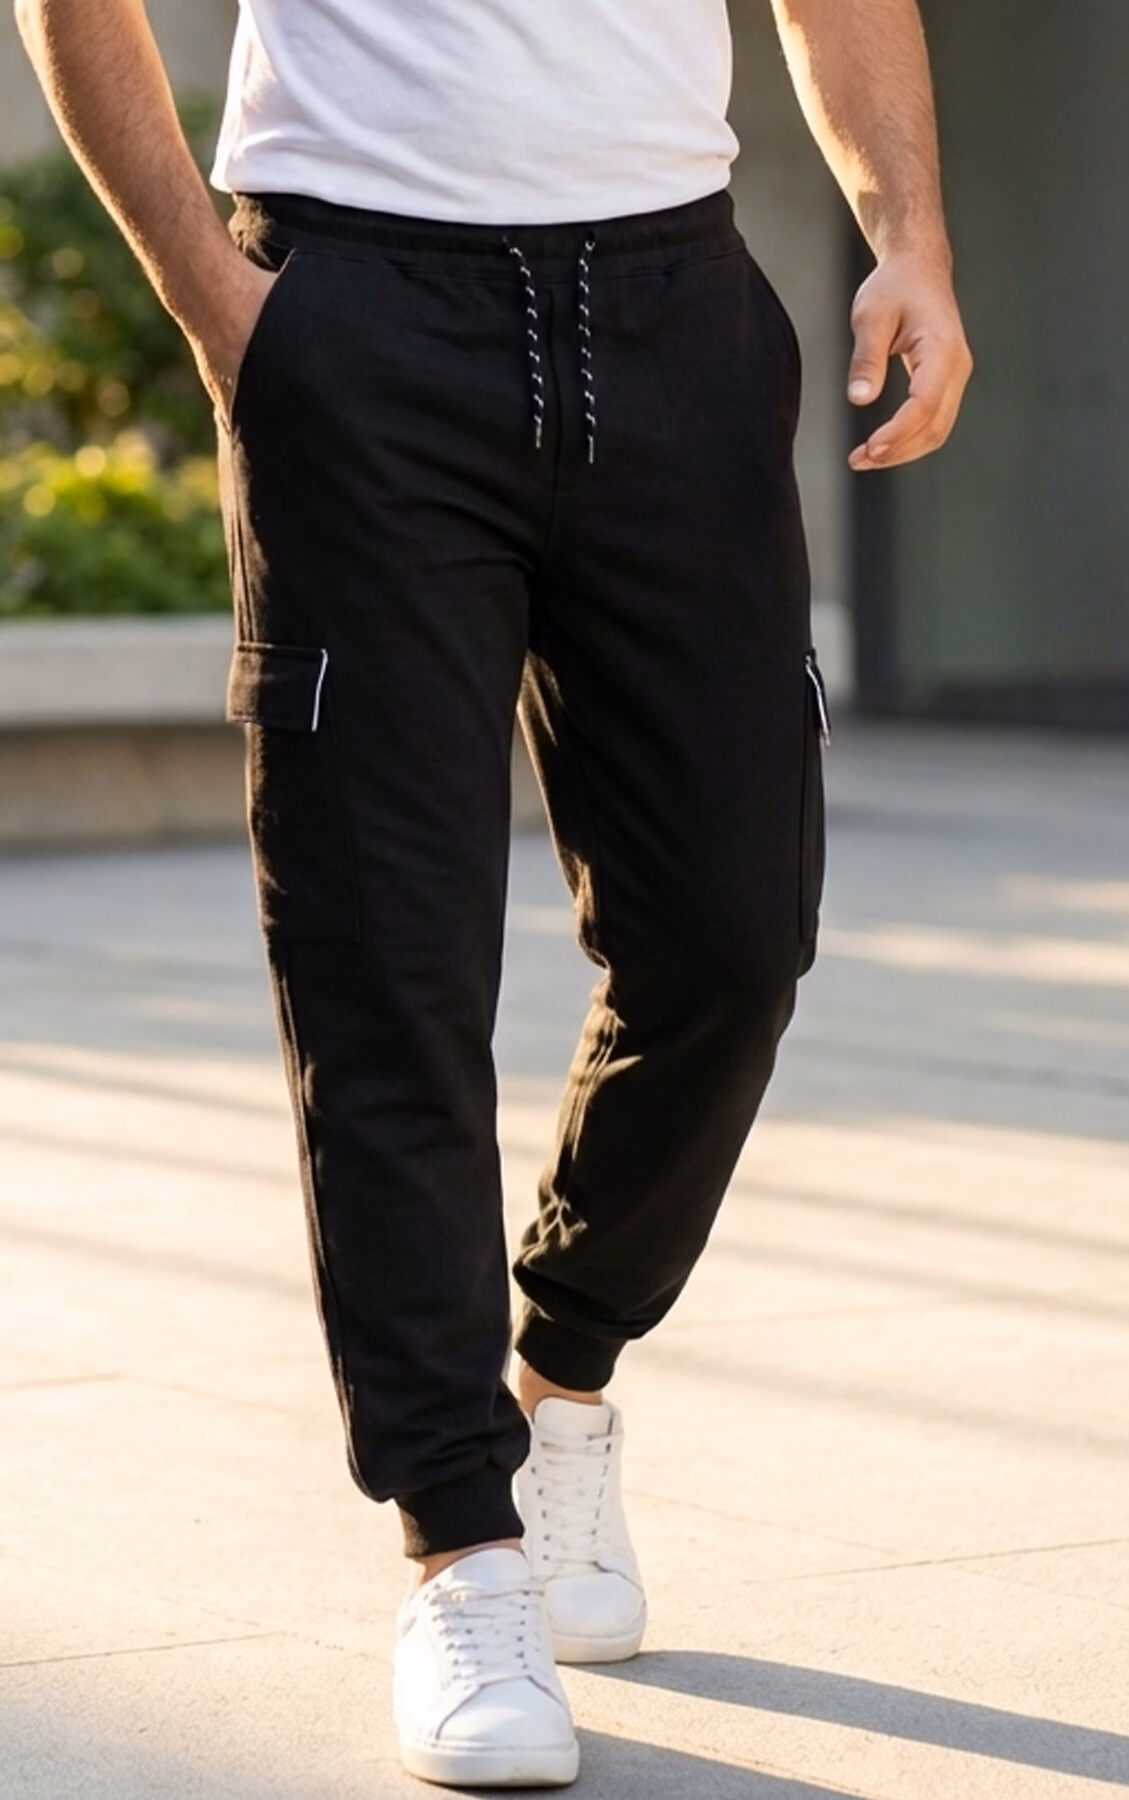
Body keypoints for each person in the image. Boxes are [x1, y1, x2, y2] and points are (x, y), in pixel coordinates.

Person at [17, 0, 971, 1786]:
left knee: (733, 931)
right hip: (358, 305)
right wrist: (222, 309)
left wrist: (906, 231)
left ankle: (561, 1377)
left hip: (677, 308)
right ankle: (461, 1545)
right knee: (387, 965)